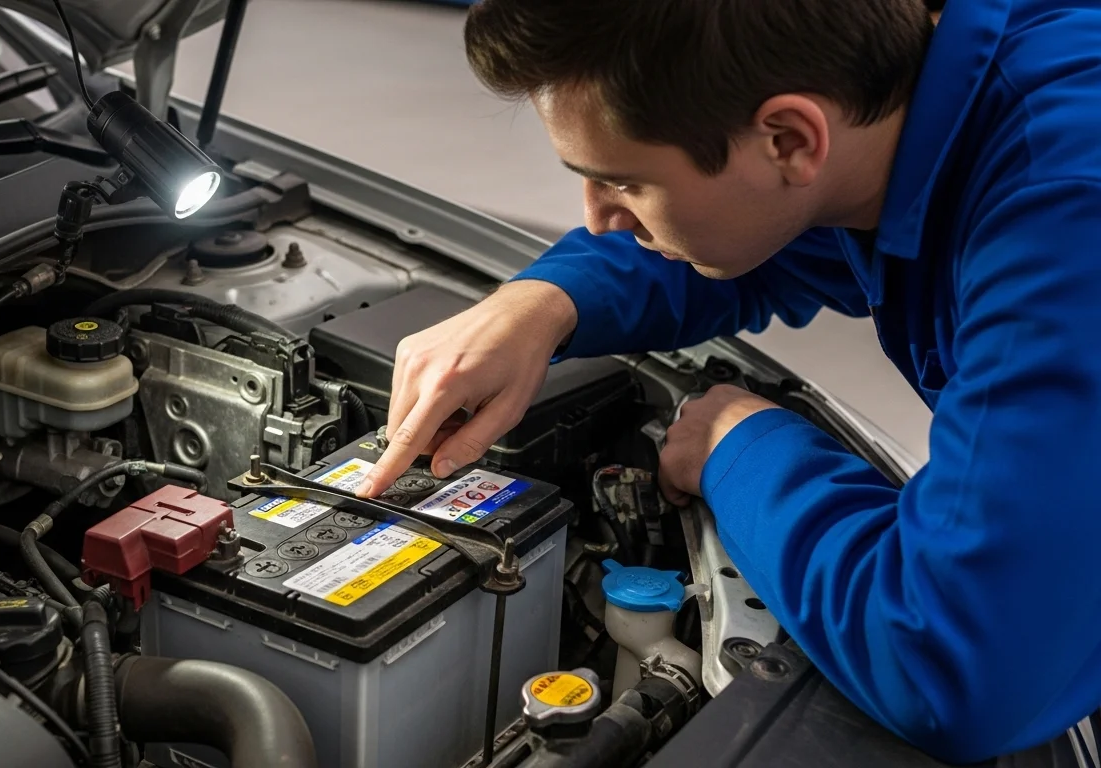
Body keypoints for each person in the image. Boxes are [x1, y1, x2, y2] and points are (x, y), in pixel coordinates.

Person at [353, 0, 1101, 765]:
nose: (600, 220)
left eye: (623, 183)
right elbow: (782, 234)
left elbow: (953, 671)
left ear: (788, 138)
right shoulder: (926, 91)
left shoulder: (1064, 226)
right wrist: (547, 299)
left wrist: (738, 445)